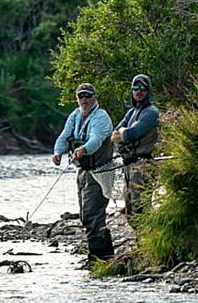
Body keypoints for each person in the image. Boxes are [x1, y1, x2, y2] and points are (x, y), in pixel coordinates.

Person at [52, 83, 115, 262]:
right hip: (83, 172)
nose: (84, 99)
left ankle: (97, 258)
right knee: (85, 215)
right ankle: (107, 256)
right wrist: (57, 152)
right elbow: (64, 136)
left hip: (101, 171)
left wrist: (84, 149)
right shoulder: (75, 115)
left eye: (88, 95)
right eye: (81, 96)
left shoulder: (101, 117)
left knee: (91, 214)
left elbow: (96, 139)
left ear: (95, 98)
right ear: (77, 99)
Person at [111, 74, 160, 216]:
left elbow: (131, 134)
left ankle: (148, 236)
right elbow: (114, 136)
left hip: (144, 165)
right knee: (129, 210)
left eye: (143, 88)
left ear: (148, 91)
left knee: (141, 208)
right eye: (135, 87)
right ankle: (141, 237)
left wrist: (123, 132)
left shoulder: (151, 112)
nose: (139, 91)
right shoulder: (131, 112)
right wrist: (122, 131)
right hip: (128, 165)